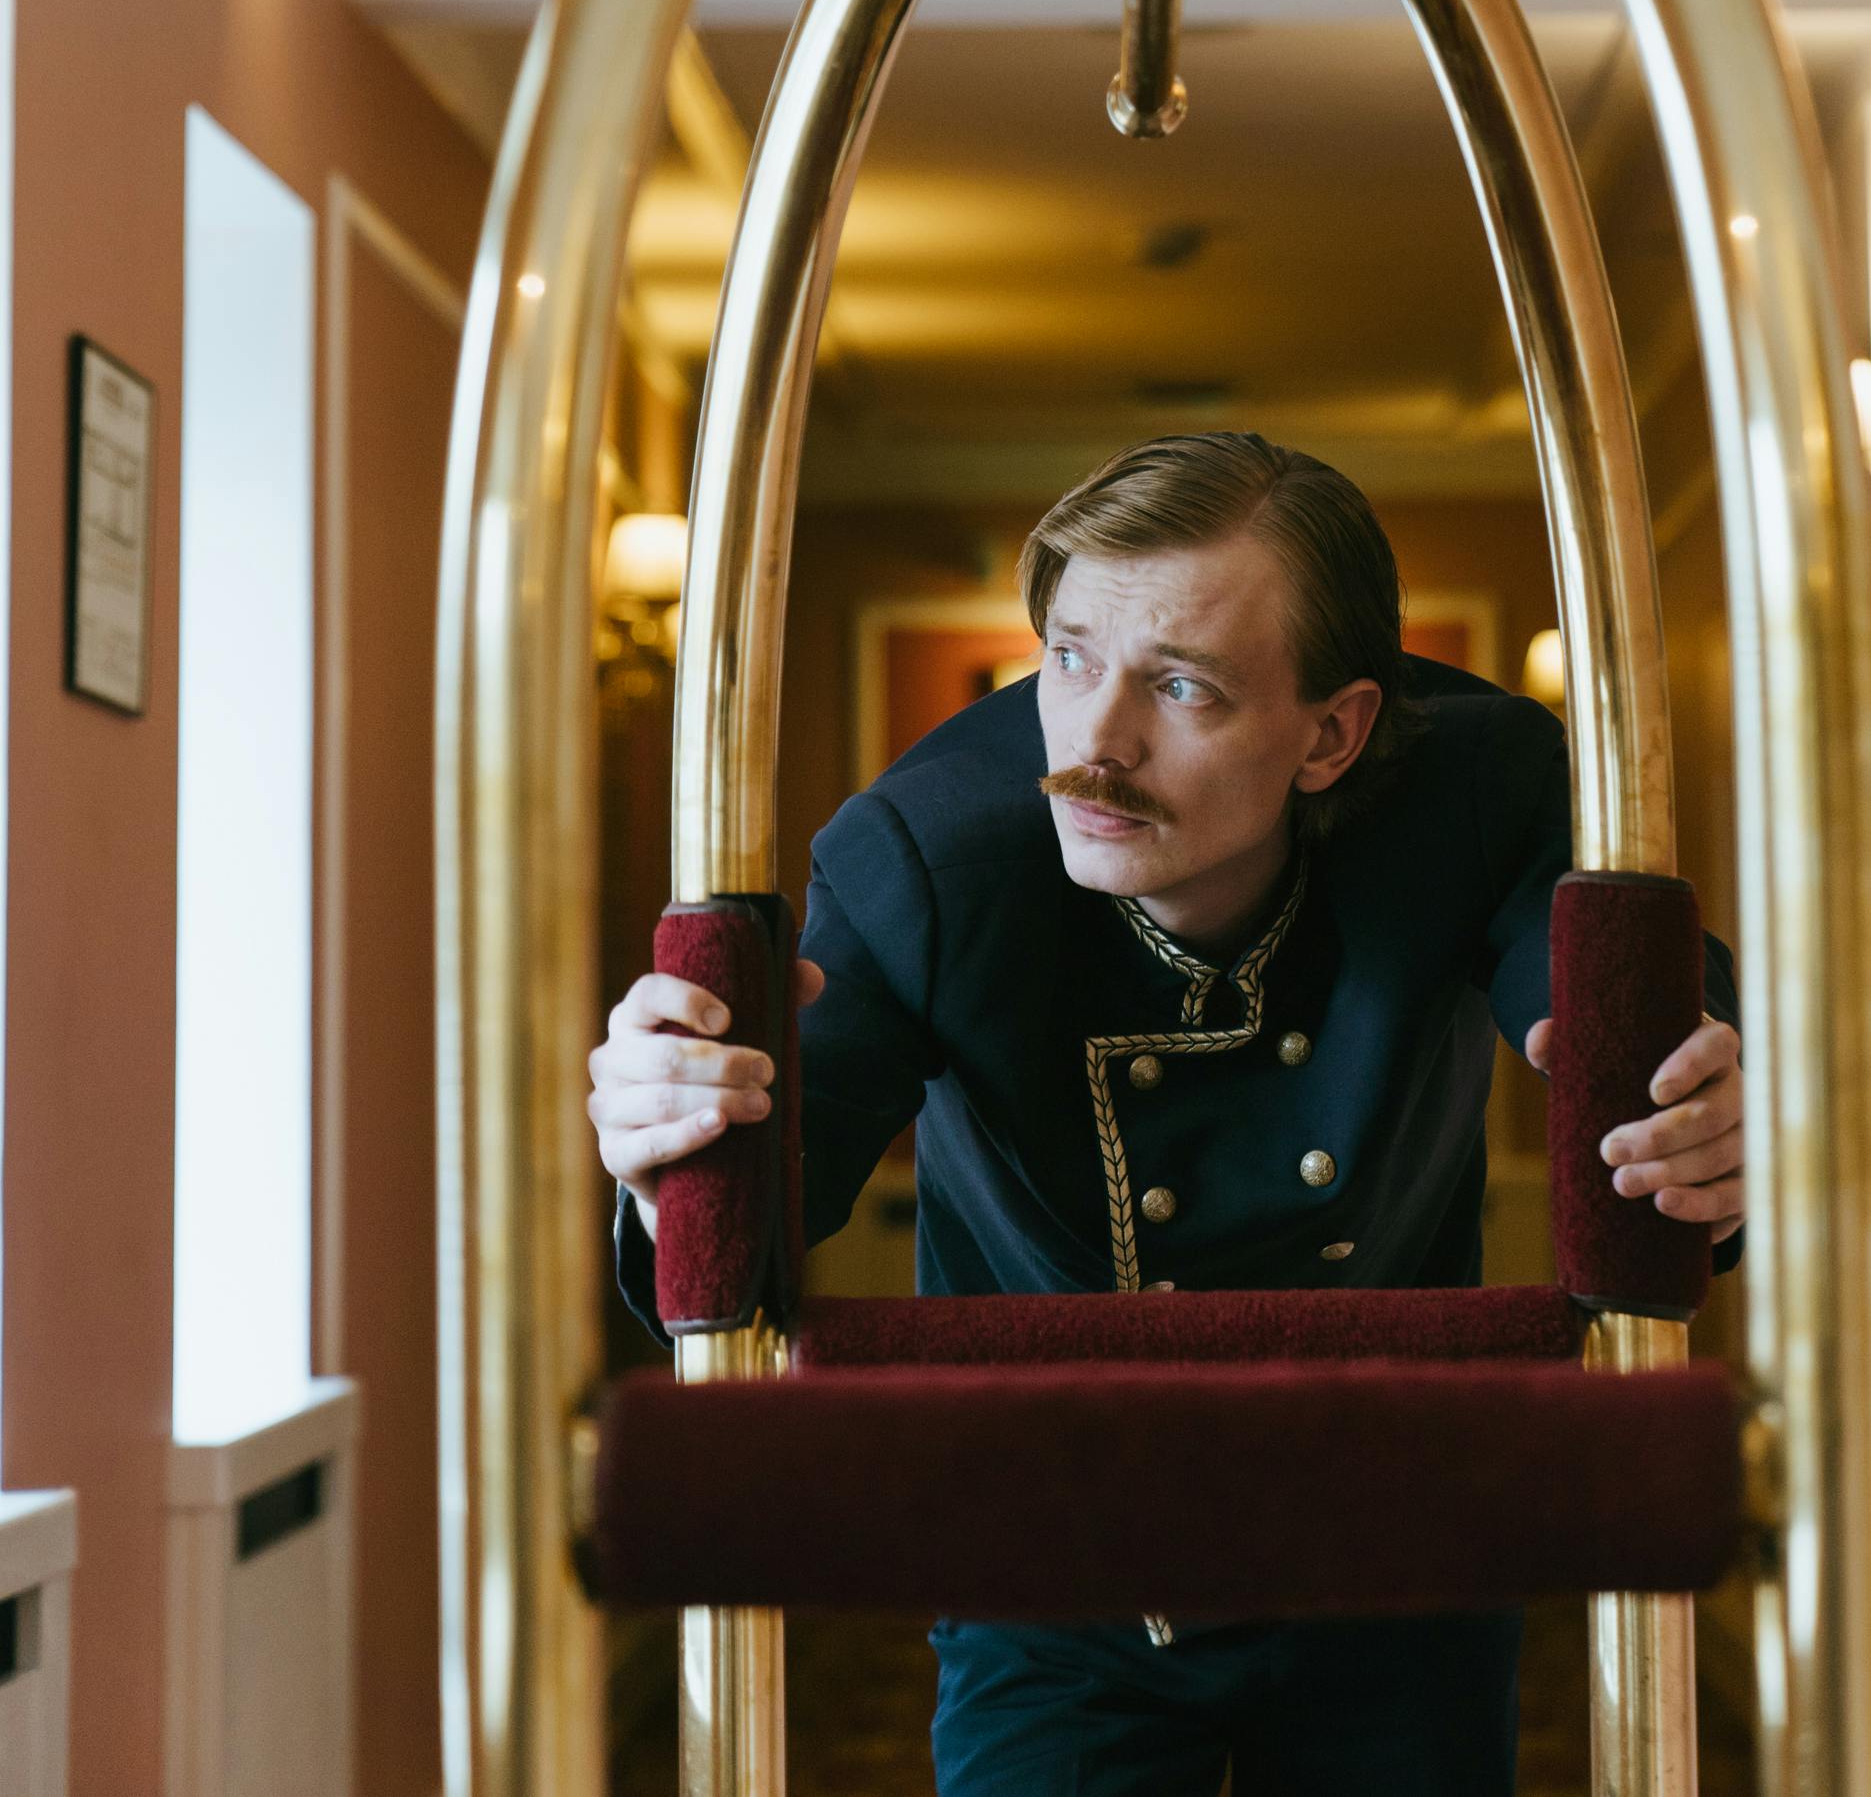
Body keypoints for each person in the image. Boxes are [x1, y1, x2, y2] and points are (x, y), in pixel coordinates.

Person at [590, 432, 1743, 1796]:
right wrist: (674, 1143)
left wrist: (1696, 1106)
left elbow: (1616, 1004)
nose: (1091, 744)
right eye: (1067, 658)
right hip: (1049, 1558)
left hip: (1393, 1527)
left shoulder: (1480, 788)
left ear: (1333, 733)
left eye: (1180, 687)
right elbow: (765, 1188)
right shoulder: (921, 855)